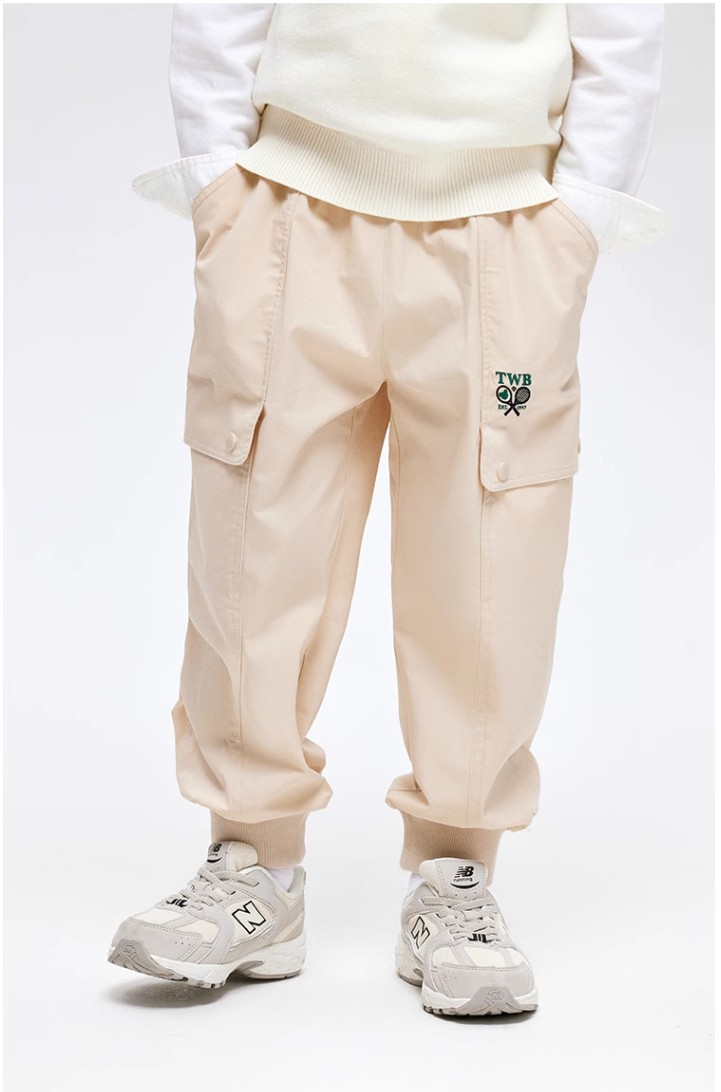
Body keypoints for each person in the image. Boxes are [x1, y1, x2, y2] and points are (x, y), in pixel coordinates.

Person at [108, 3, 667, 1017]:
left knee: (492, 557)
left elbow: (621, 21)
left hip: (508, 231)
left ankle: (457, 874)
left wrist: (579, 213)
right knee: (254, 537)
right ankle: (254, 864)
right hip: (287, 209)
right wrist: (218, 182)